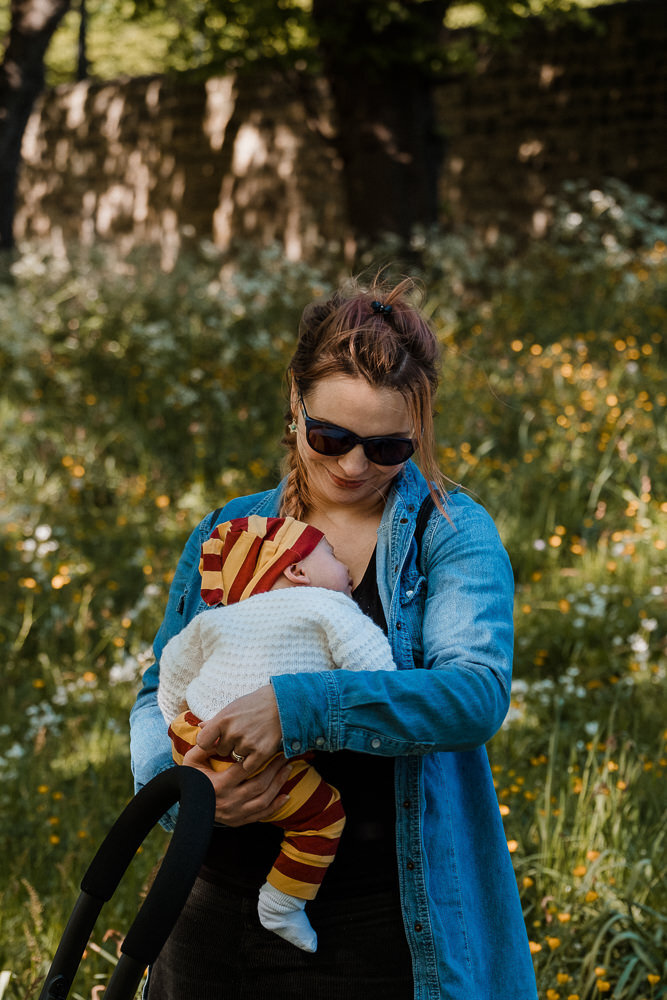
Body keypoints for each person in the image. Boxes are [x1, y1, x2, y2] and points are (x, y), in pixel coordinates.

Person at [130, 277, 538, 1000]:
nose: (354, 467)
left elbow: (474, 695)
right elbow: (155, 688)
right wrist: (184, 787)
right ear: (295, 406)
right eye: (331, 438)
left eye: (387, 448)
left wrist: (300, 708)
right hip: (207, 910)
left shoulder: (451, 535)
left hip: (378, 923)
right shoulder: (231, 531)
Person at [157, 513, 398, 953]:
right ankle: (282, 903)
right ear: (298, 571)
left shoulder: (218, 618)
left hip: (193, 735)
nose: (346, 569)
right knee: (323, 818)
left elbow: (172, 666)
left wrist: (178, 723)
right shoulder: (328, 605)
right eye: (333, 556)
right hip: (256, 756)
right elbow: (377, 675)